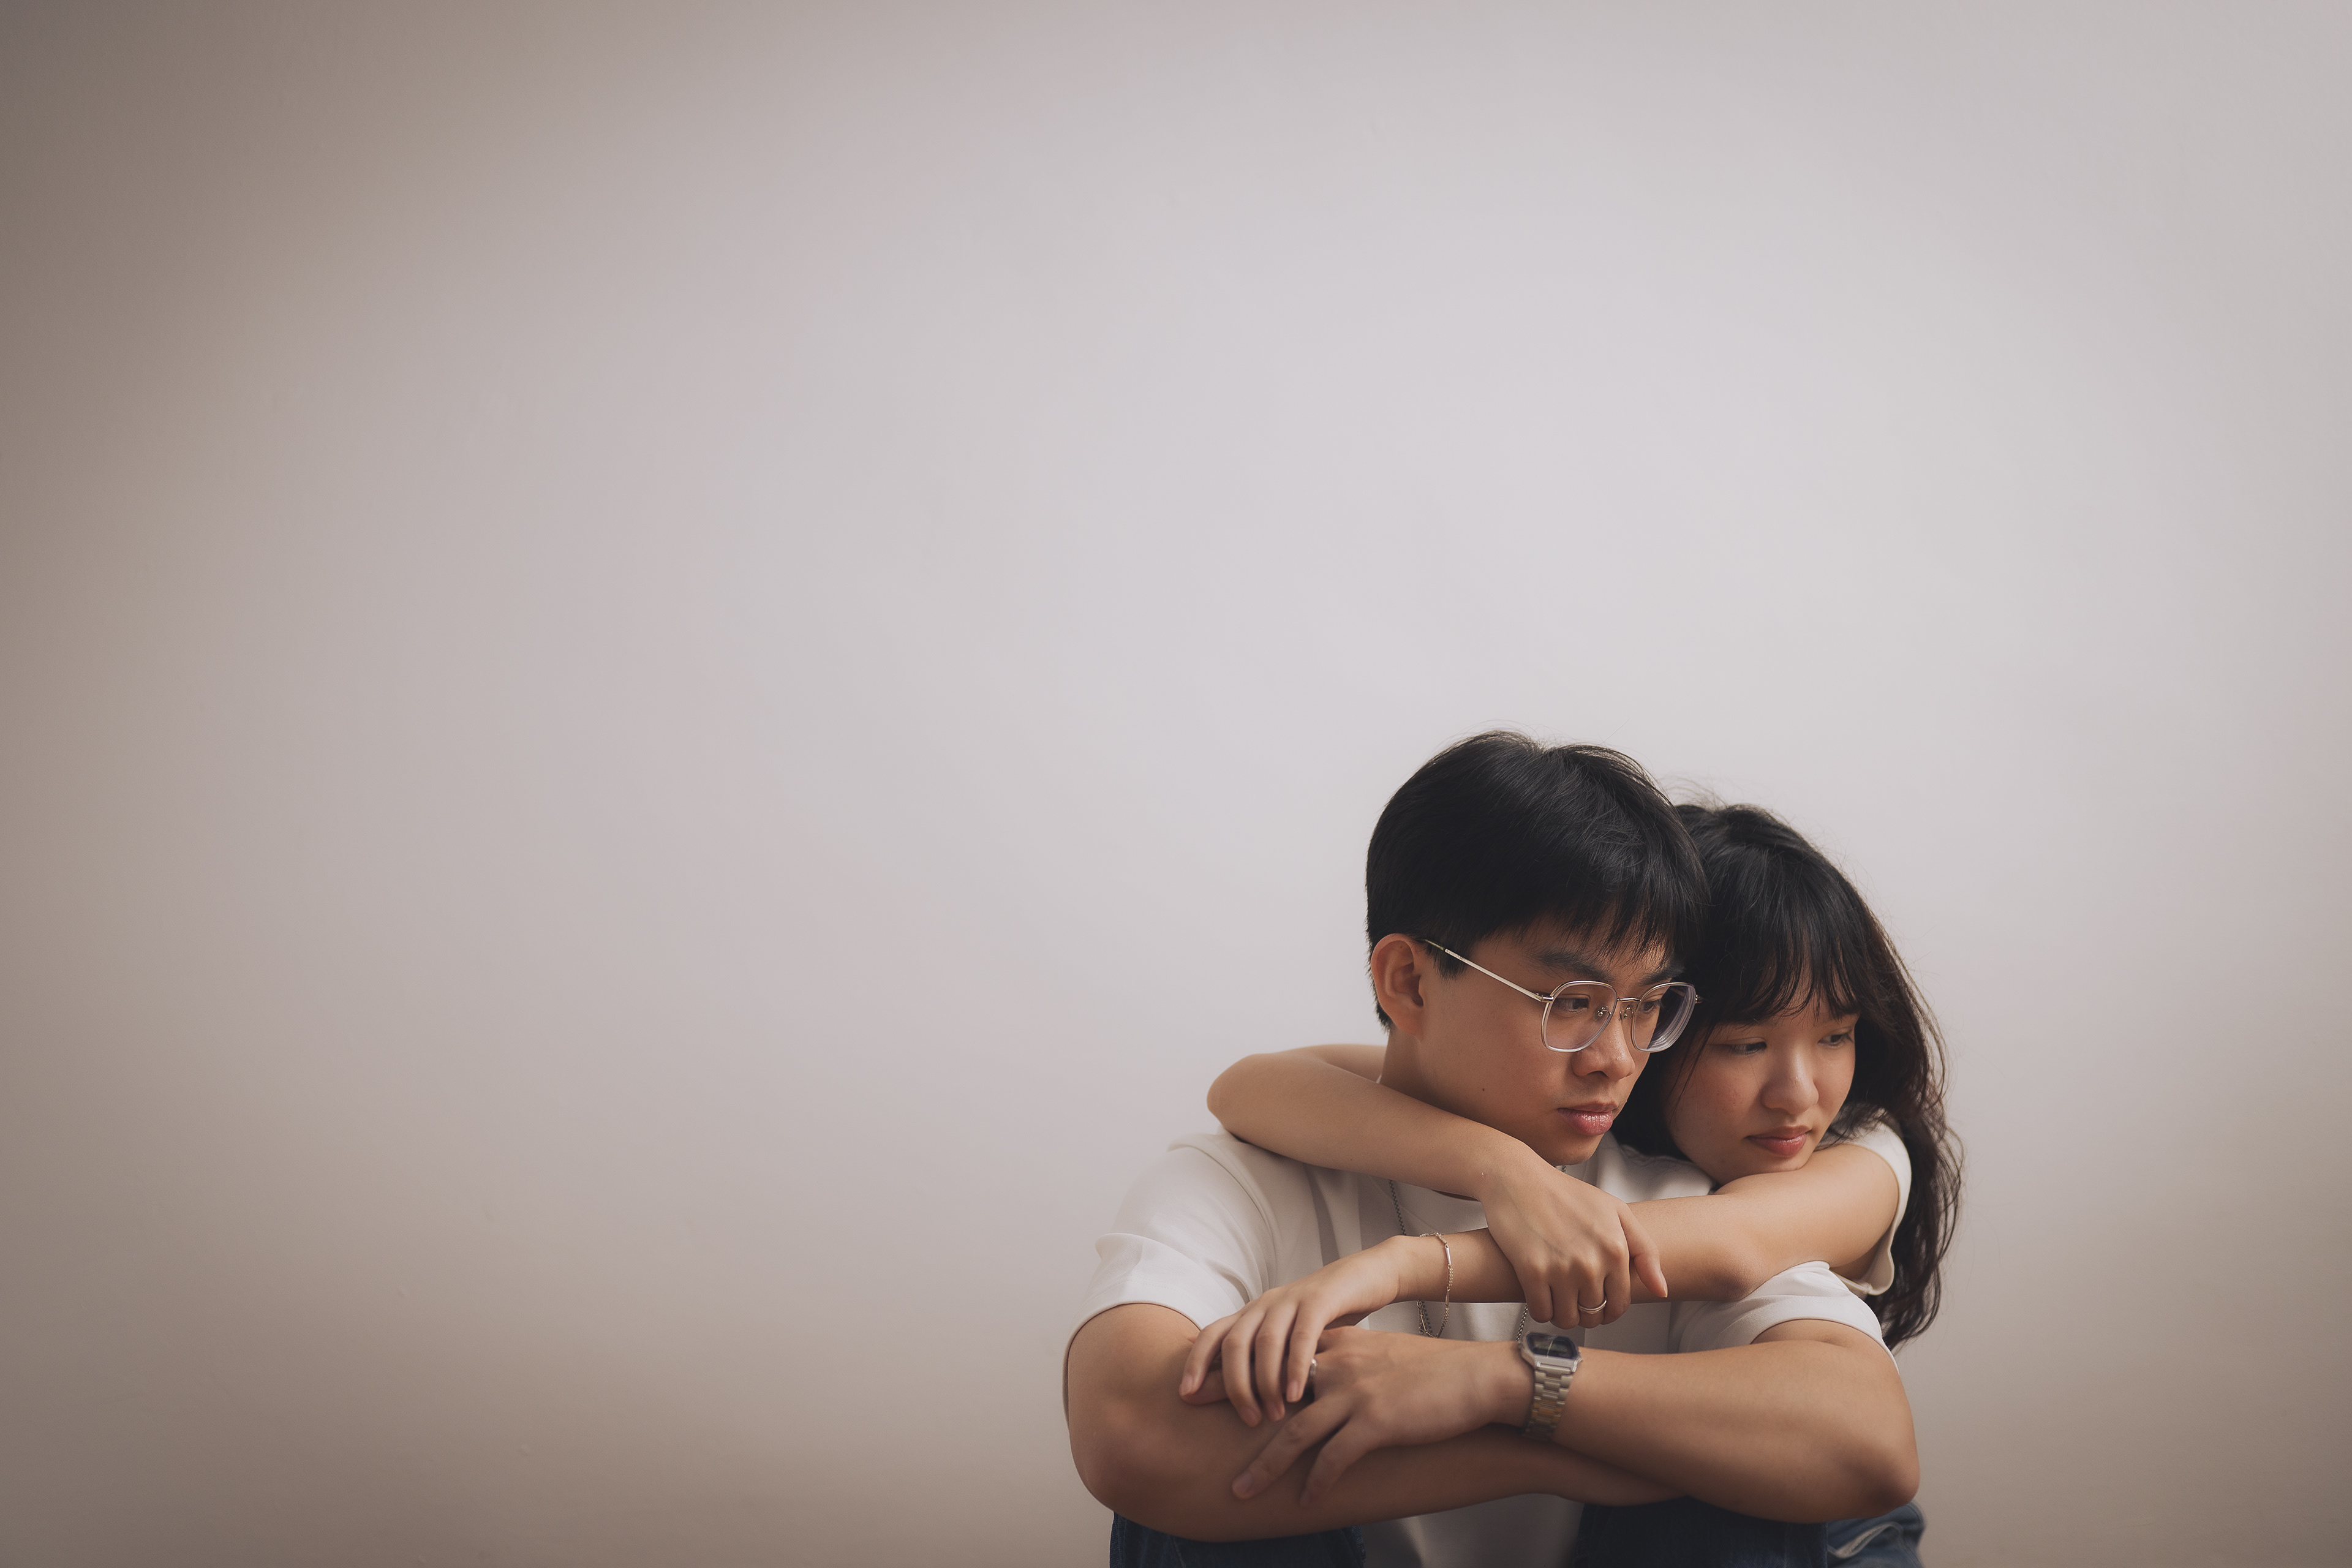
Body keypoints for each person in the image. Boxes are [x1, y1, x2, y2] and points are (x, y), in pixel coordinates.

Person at [1064, 735, 1918, 1566]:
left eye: (1646, 1006)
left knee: (1748, 1485)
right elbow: (1133, 1435)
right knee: (1205, 1515)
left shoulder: (1688, 1195)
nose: (1617, 1059)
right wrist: (1555, 1455)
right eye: (1573, 1001)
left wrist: (1508, 1382)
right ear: (1408, 982)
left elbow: (1869, 1440)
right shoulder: (1236, 1183)